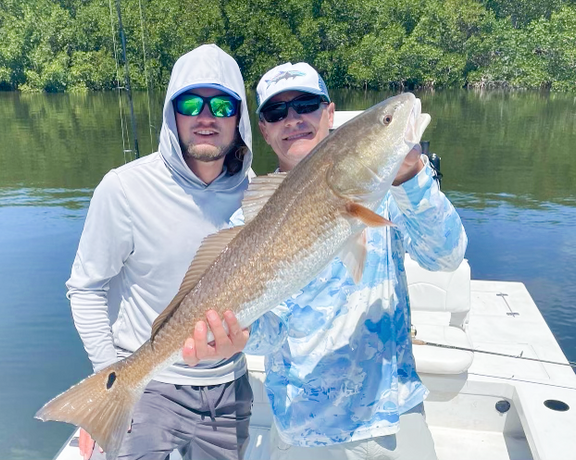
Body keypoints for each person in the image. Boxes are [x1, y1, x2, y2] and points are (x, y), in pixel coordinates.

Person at [185, 62, 468, 460]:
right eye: (276, 112)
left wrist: (412, 178)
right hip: (300, 427)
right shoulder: (249, 221)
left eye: (306, 105)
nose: (293, 119)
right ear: (264, 129)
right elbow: (268, 335)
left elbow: (446, 256)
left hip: (390, 416)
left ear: (330, 113)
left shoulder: (390, 189)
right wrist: (234, 341)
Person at [67, 44, 255, 460]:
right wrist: (109, 388)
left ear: (239, 116)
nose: (206, 117)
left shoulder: (257, 194)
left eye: (222, 104)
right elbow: (85, 289)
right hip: (148, 387)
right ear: (172, 112)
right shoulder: (123, 188)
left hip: (229, 388)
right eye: (191, 102)